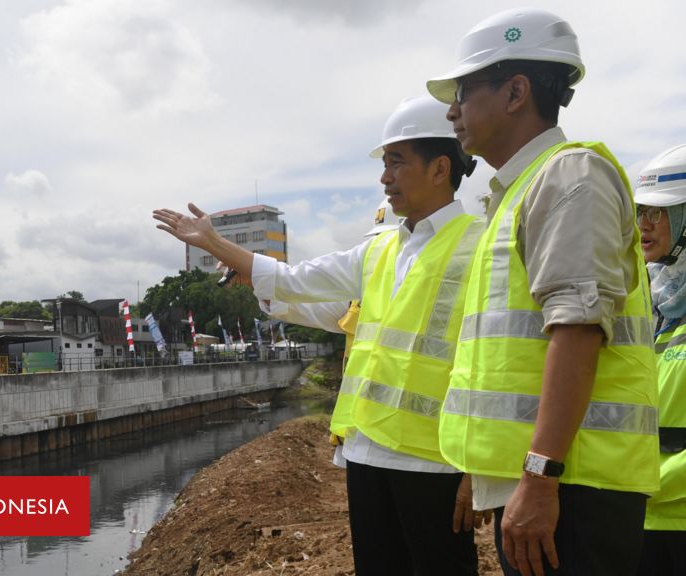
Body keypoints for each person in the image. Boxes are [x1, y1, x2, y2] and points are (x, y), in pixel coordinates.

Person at [155, 95, 486, 576]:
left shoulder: (481, 245)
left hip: (436, 463)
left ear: (440, 168)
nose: (384, 177)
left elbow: (490, 363)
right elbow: (292, 280)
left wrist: (479, 467)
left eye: (396, 162)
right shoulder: (380, 251)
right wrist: (214, 244)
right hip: (368, 450)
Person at [425, 8, 659, 576]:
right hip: (548, 480)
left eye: (463, 91)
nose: (453, 111)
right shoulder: (519, 192)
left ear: (516, 92)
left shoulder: (570, 177)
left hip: (574, 488)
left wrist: (539, 475)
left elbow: (577, 329)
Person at [634, 144, 686, 576]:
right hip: (640, 517)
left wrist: (646, 484)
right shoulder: (646, 301)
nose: (644, 225)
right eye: (641, 212)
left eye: (659, 212)